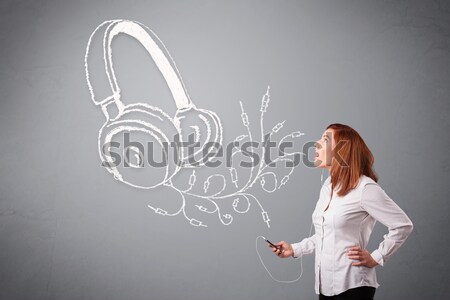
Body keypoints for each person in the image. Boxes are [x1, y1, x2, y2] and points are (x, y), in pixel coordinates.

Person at [271, 123, 413, 300]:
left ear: (342, 150)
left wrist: (377, 257)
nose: (316, 144)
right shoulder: (327, 187)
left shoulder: (365, 188)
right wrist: (294, 249)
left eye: (325, 140)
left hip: (354, 287)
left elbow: (403, 225)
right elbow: (327, 235)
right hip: (325, 287)